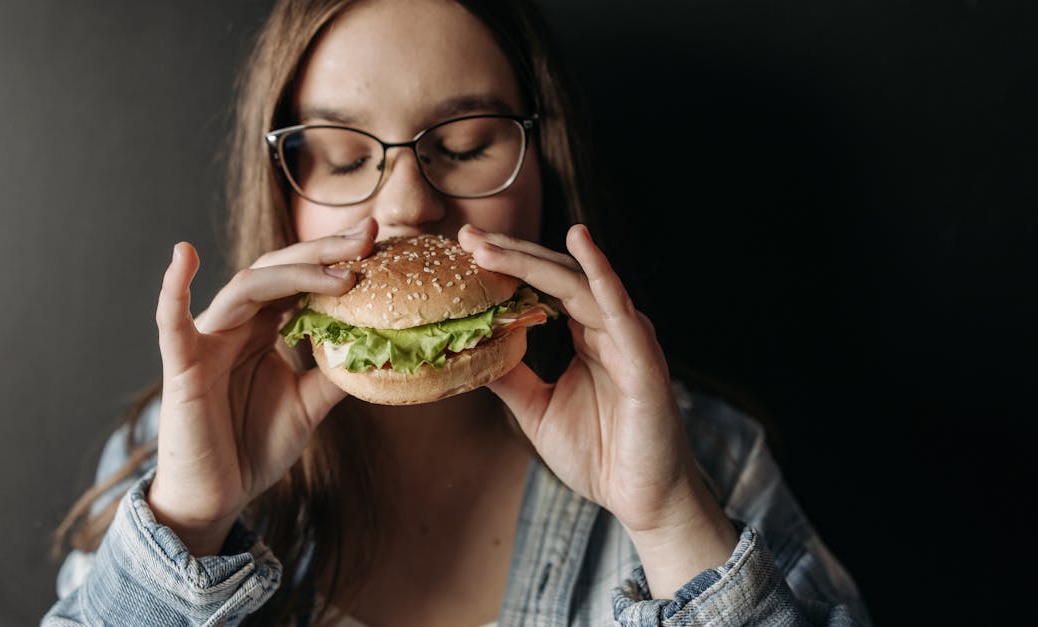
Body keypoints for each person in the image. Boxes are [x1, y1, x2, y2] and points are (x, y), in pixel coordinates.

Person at [44, 0, 869, 625]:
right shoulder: (169, 463)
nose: (407, 205)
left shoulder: (712, 459)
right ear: (284, 197)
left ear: (544, 168)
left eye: (468, 145)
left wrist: (669, 520)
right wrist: (191, 520)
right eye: (341, 155)